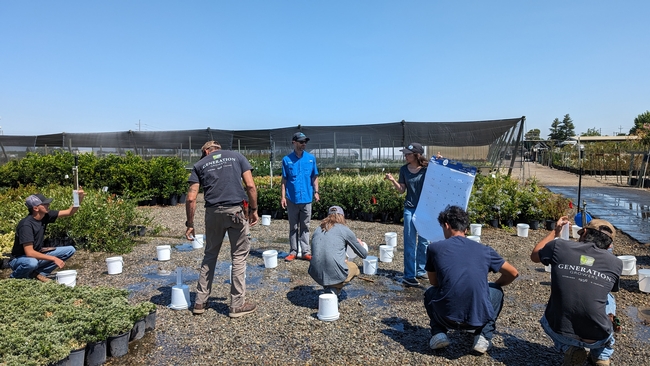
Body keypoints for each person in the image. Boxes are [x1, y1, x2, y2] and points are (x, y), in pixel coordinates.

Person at [424, 205, 519, 354]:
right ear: (466, 229)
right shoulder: (485, 250)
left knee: (430, 293)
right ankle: (482, 336)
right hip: (477, 318)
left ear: (447, 225)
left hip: (445, 317)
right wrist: (494, 285)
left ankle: (438, 333)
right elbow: (513, 273)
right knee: (497, 292)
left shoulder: (434, 248)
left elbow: (434, 282)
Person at [530, 217, 622, 366]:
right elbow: (609, 288)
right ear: (610, 245)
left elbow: (534, 255)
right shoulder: (616, 263)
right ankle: (601, 355)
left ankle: (569, 348)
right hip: (597, 337)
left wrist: (555, 231)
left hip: (559, 331)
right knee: (608, 297)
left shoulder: (558, 246)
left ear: (584, 232)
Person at [185, 140, 259, 318]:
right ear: (218, 149)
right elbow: (250, 186)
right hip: (236, 211)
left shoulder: (199, 164)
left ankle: (200, 302)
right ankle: (236, 305)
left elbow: (191, 198)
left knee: (210, 254)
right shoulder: (237, 157)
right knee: (239, 257)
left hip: (213, 212)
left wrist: (190, 224)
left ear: (206, 151)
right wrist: (254, 209)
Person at [10, 191, 86, 282]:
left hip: (35, 254)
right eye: (45, 204)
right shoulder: (26, 225)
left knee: (70, 250)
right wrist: (54, 258)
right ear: (36, 208)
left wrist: (79, 198)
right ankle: (14, 279)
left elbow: (70, 212)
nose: (48, 205)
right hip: (20, 259)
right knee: (31, 263)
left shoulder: (45, 215)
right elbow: (29, 253)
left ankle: (37, 274)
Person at [384, 142, 430, 286]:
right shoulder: (404, 169)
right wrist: (393, 181)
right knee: (409, 242)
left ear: (417, 155)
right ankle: (409, 274)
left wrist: (439, 161)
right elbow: (402, 190)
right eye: (405, 153)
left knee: (424, 242)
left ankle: (420, 271)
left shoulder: (427, 169)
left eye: (408, 154)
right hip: (410, 208)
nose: (405, 156)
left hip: (424, 209)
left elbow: (441, 173)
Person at [308, 206, 368, 295]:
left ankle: (328, 286)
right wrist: (359, 243)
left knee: (328, 263)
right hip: (333, 272)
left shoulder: (318, 229)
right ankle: (334, 288)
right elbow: (364, 254)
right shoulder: (344, 230)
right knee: (355, 268)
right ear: (342, 216)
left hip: (315, 273)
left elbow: (319, 252)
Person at [281, 132, 319, 262]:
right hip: (292, 198)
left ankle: (305, 252)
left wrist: (316, 192)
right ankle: (293, 251)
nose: (304, 144)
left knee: (305, 226)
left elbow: (314, 176)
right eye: (301, 142)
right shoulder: (286, 160)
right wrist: (283, 197)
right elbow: (284, 180)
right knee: (293, 226)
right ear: (294, 142)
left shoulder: (310, 158)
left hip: (307, 198)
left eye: (305, 142)